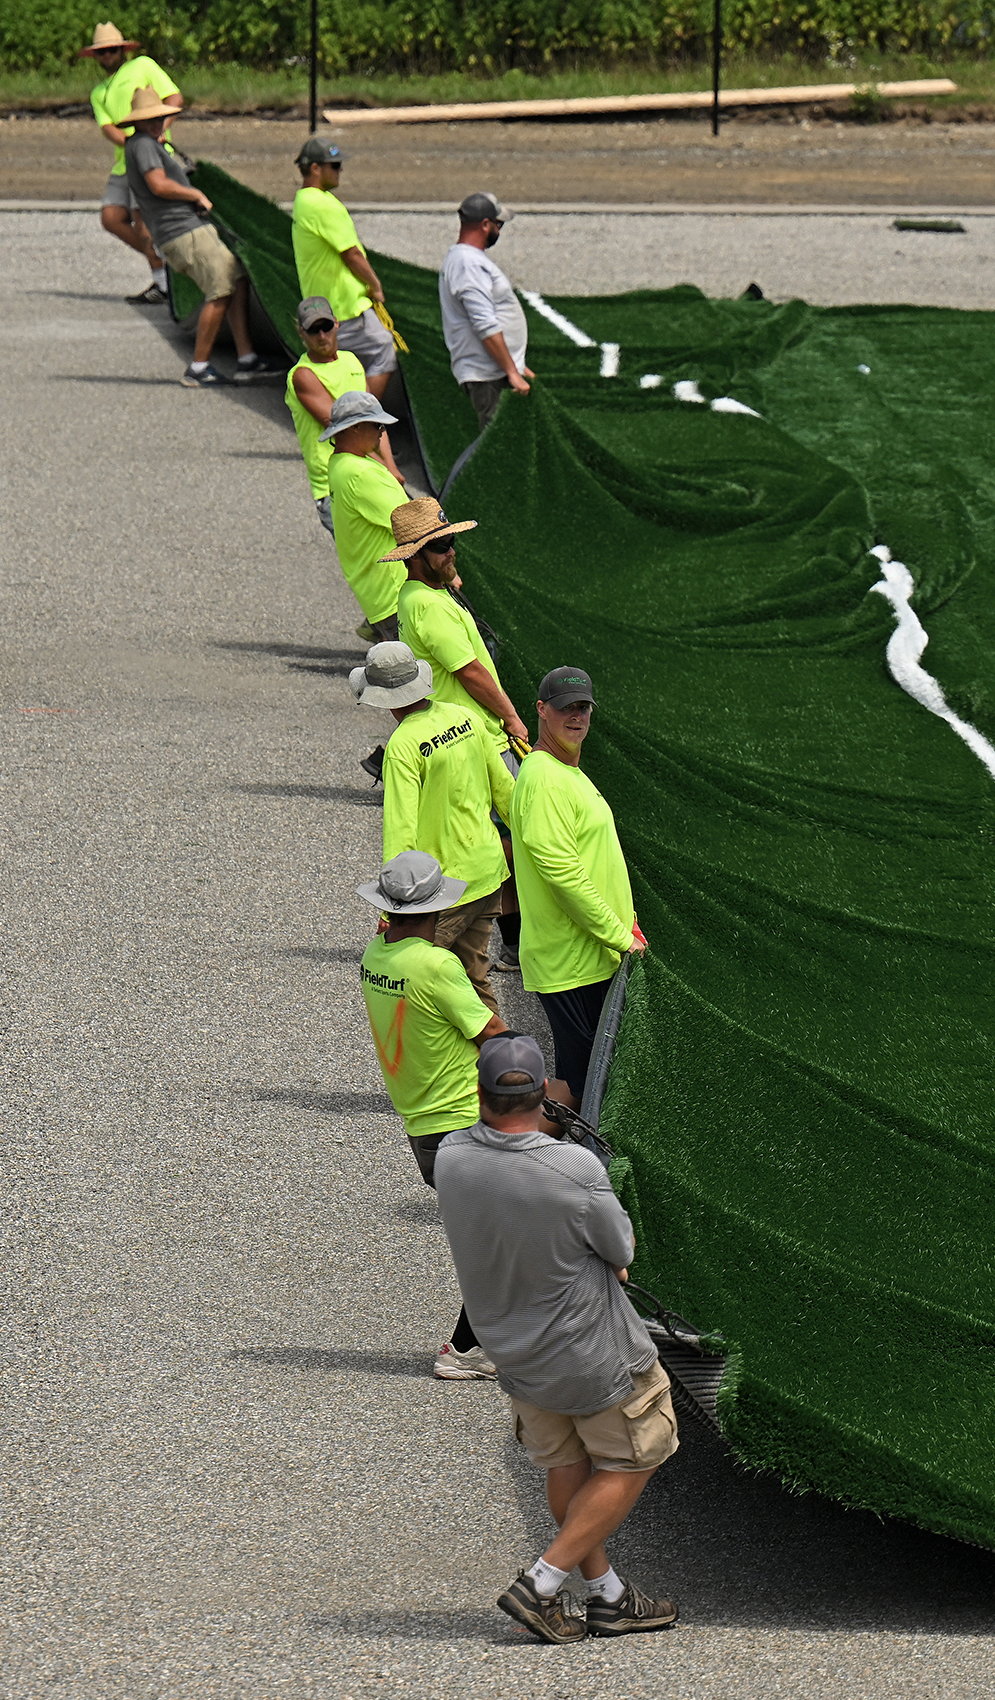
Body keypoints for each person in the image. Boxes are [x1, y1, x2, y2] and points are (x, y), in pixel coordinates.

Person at [434, 1031, 680, 1643]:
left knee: (567, 1462)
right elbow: (620, 1249)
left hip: (514, 1352)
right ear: (544, 1090)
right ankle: (541, 1582)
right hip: (595, 1354)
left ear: (479, 1092)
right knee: (637, 1455)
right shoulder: (574, 1167)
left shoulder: (451, 1155)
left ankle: (608, 1597)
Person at [357, 850, 509, 1381]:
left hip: (424, 1127)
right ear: (437, 908)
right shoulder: (436, 965)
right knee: (500, 1237)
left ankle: (487, 1339)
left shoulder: (375, 955)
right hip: (466, 1120)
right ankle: (466, 1349)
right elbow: (493, 1033)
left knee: (493, 1233)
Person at [353, 640, 514, 1016]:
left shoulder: (403, 745)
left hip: (441, 891)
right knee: (473, 981)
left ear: (383, 698)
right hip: (488, 875)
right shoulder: (466, 717)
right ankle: (505, 1051)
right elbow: (507, 795)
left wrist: (392, 910)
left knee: (413, 984)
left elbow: (401, 834)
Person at [513, 667, 643, 1108]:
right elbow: (562, 873)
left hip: (588, 956)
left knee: (577, 1086)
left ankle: (506, 1143)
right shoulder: (545, 779)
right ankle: (501, 1144)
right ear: (541, 710)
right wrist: (619, 936)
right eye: (566, 707)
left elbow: (592, 863)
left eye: (584, 707)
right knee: (588, 1094)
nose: (577, 716)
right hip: (572, 963)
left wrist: (627, 924)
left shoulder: (567, 772)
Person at [119, 87, 267, 388]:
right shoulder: (143, 145)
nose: (157, 124)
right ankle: (198, 367)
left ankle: (247, 358)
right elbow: (158, 185)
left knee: (236, 278)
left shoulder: (145, 144)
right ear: (138, 122)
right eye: (151, 119)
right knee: (221, 289)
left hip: (182, 229)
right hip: (182, 231)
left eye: (160, 118)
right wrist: (195, 194)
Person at [384, 498, 531, 748]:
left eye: (451, 541)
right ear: (415, 556)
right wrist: (512, 718)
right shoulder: (430, 605)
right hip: (478, 739)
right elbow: (469, 671)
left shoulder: (414, 594)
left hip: (461, 735)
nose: (451, 552)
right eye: (441, 546)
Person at [293, 136, 399, 402]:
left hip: (325, 305)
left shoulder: (304, 200)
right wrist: (375, 285)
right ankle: (361, 417)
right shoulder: (322, 204)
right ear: (315, 168)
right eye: (335, 165)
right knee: (382, 348)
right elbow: (351, 254)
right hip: (345, 308)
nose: (340, 170)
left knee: (340, 367)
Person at [80, 24, 180, 303]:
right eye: (101, 52)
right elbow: (108, 127)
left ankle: (163, 283)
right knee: (111, 218)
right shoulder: (99, 92)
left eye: (112, 50)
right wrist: (132, 144)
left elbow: (174, 97)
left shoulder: (142, 66)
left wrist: (159, 131)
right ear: (95, 56)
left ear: (122, 50)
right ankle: (165, 267)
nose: (107, 56)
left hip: (152, 156)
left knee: (143, 220)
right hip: (124, 161)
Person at [285, 295, 399, 529]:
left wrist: (392, 468)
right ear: (301, 333)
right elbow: (346, 431)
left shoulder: (351, 361)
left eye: (326, 327)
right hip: (337, 487)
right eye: (313, 330)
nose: (322, 336)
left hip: (370, 475)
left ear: (336, 324)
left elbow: (373, 420)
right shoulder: (303, 375)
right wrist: (386, 470)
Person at [439, 192, 533, 432]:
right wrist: (511, 372)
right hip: (488, 377)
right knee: (498, 443)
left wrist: (516, 364)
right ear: (485, 225)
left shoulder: (465, 259)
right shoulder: (468, 264)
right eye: (498, 225)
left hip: (494, 372)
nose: (499, 231)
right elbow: (484, 324)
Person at [321, 389, 410, 643]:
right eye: (377, 425)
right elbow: (408, 525)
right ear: (356, 427)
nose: (382, 432)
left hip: (379, 596)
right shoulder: (360, 474)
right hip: (395, 595)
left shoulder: (340, 463)